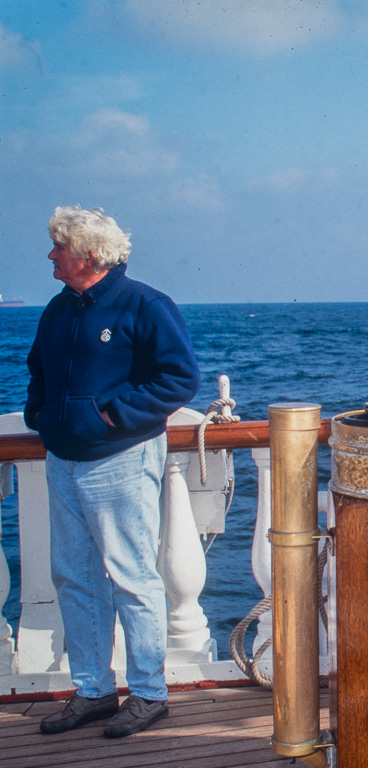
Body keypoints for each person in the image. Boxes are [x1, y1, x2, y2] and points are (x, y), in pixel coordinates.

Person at [26, 206, 200, 737]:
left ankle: (149, 694)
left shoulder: (145, 304)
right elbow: (36, 370)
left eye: (59, 247)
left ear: (90, 256)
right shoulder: (59, 309)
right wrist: (42, 415)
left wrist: (109, 417)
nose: (51, 255)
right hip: (63, 461)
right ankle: (94, 690)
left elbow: (179, 378)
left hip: (119, 459)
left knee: (131, 578)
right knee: (74, 578)